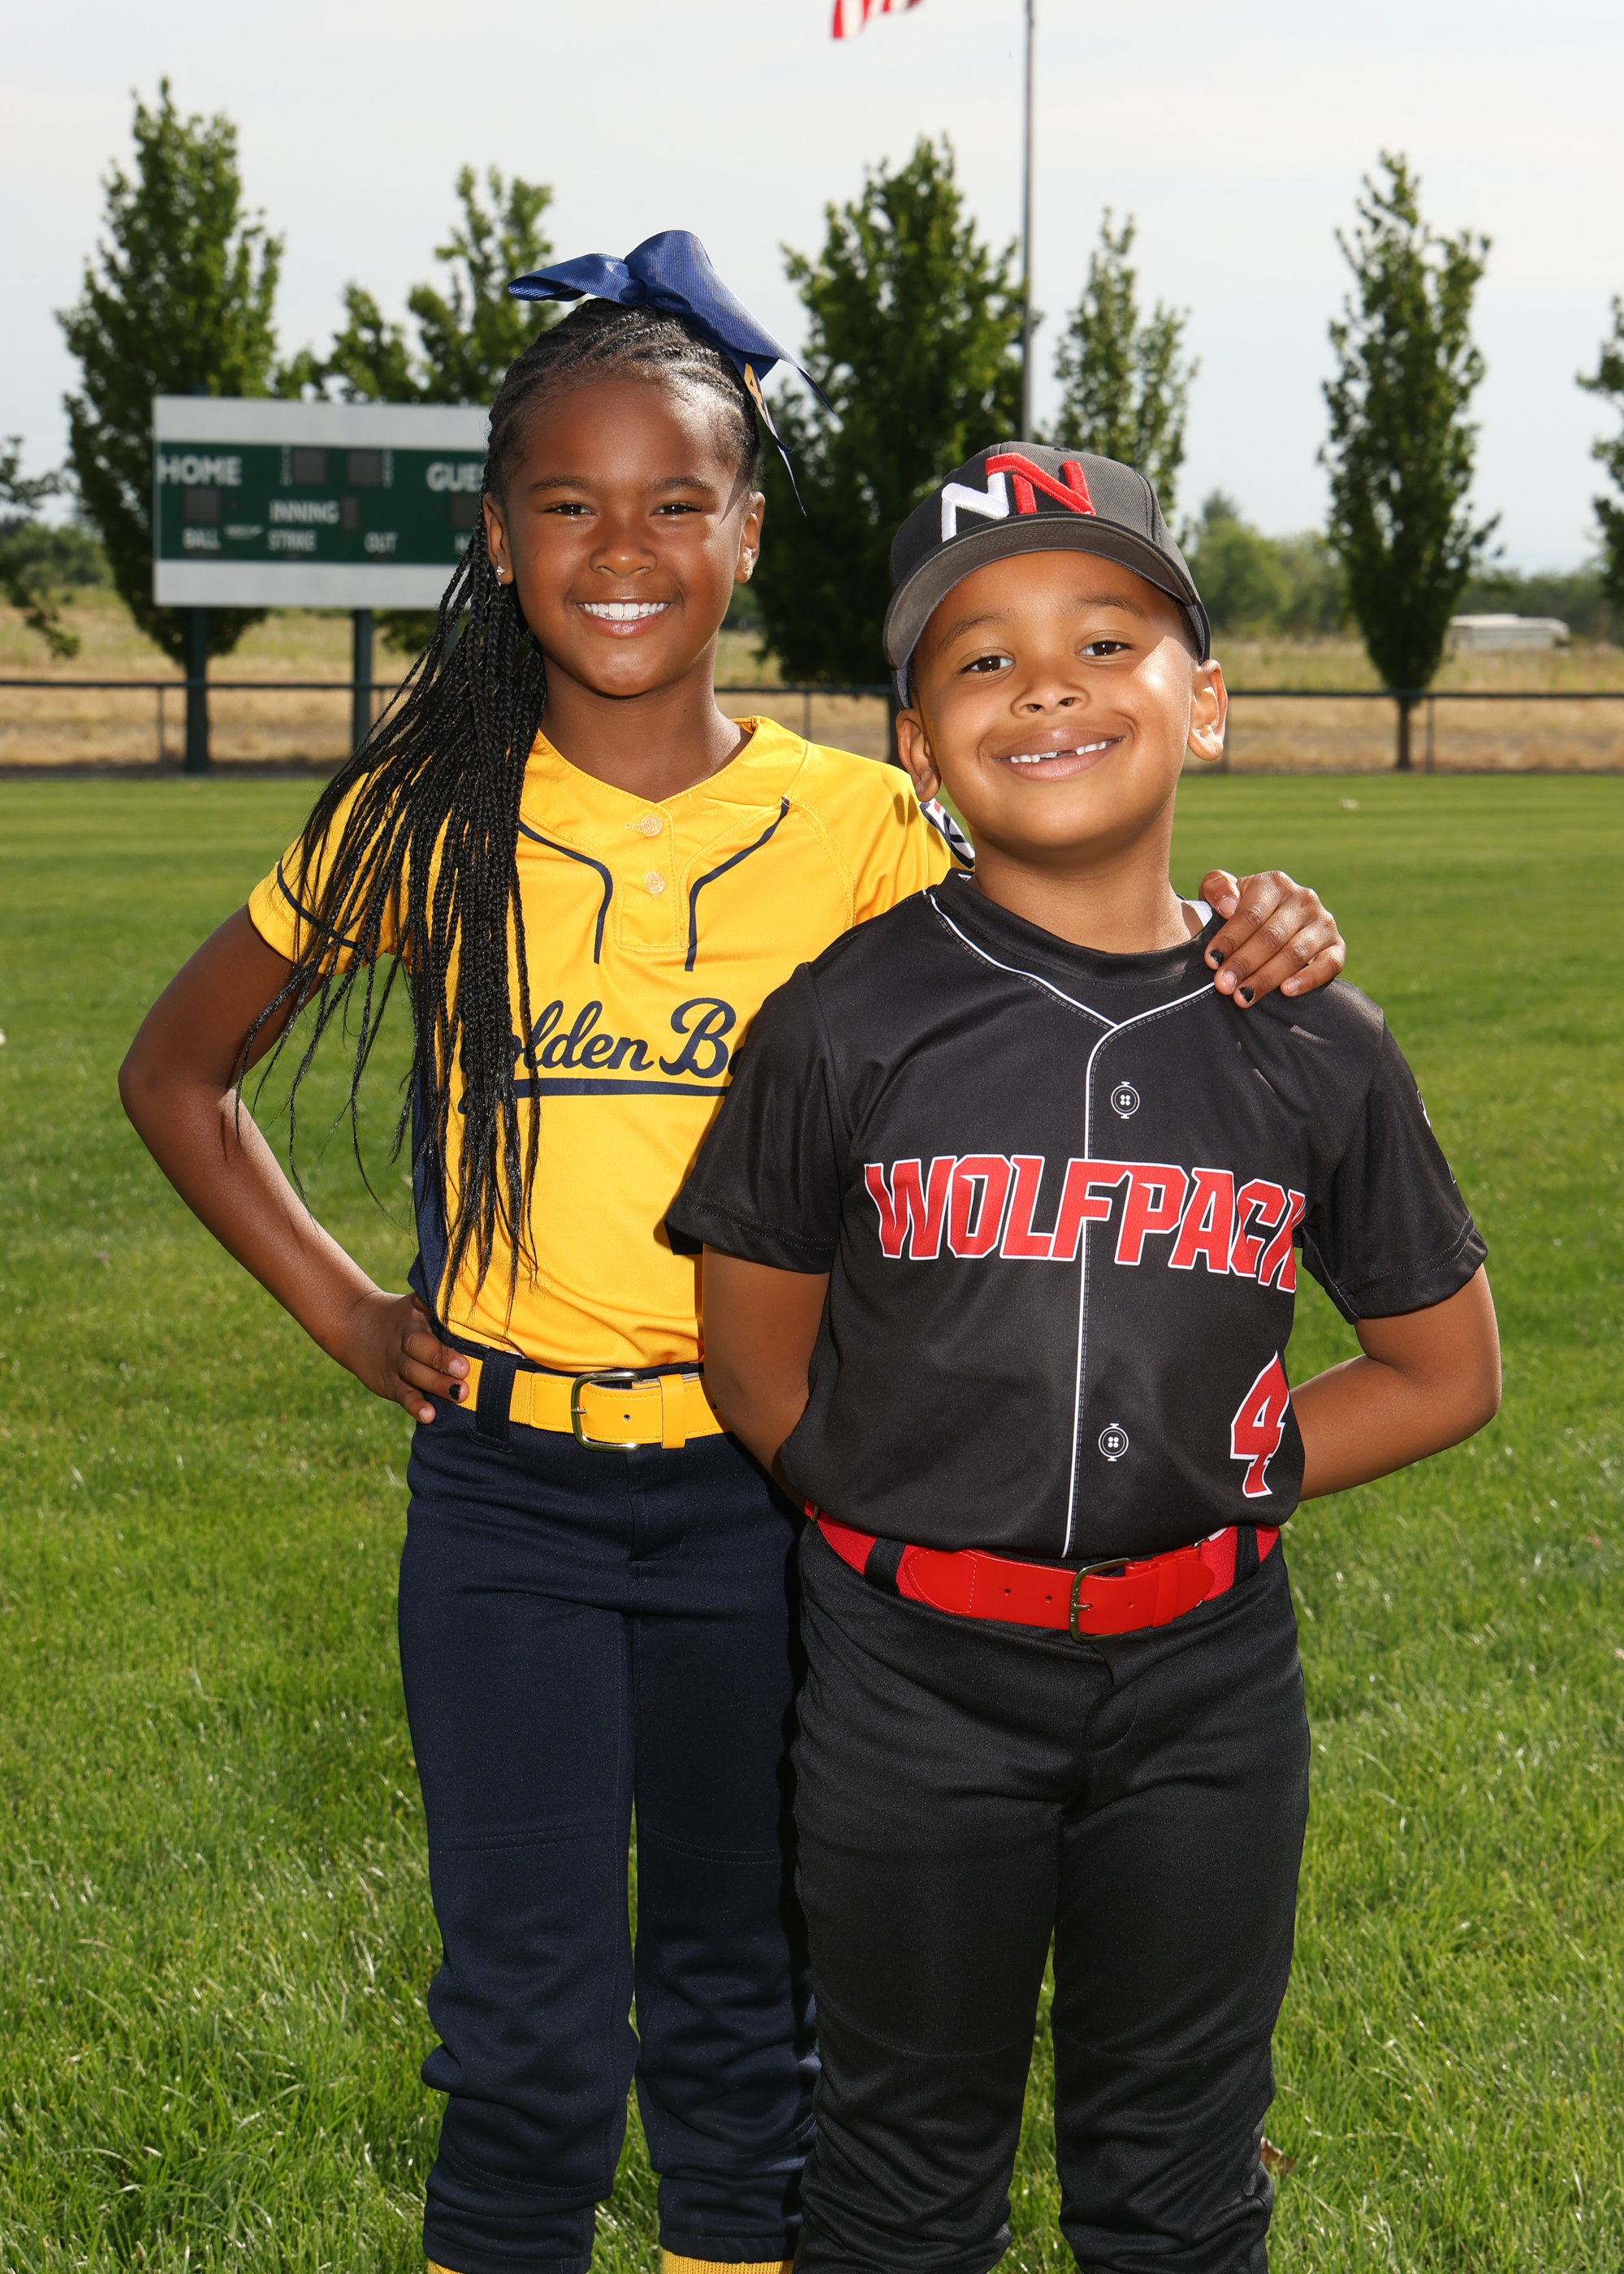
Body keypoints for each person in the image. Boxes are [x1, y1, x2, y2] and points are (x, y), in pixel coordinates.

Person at [119, 236, 1347, 2274]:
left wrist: (1254, 924)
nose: (626, 548)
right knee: (521, 2040)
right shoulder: (424, 816)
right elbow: (180, 1074)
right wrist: (348, 1308)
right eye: (570, 503)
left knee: (740, 2014)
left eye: (678, 502)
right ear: (498, 537)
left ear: (745, 534)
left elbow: (1081, 920)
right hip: (506, 1502)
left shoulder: (855, 824)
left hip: (769, 1495)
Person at [672, 442, 1502, 2274]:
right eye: (981, 660)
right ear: (918, 745)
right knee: (901, 2177)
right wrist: (901, 1508)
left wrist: (1235, 1464)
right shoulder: (843, 1021)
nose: (1046, 685)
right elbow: (756, 1363)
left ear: (1205, 703)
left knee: (1179, 2181)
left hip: (1209, 1678)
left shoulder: (1311, 1036)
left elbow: (1443, 1369)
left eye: (1106, 640)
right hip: (909, 1676)